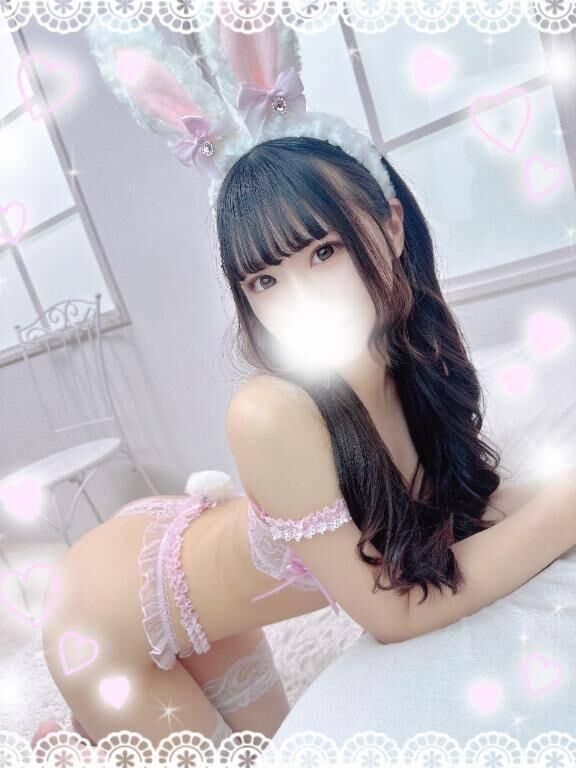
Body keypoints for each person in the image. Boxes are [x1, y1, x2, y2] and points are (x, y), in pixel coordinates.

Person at [30, 16, 576, 751]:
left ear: (390, 225)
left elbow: (460, 511)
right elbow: (394, 612)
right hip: (100, 622)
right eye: (264, 278)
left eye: (323, 251)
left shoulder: (409, 359)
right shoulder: (270, 411)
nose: (302, 298)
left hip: (187, 580)